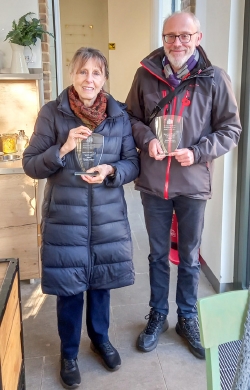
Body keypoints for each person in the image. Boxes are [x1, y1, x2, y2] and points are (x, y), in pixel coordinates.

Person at [125, 11, 242, 359]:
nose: (177, 42)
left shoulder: (215, 79)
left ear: (198, 38)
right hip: (153, 185)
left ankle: (187, 317)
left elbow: (230, 130)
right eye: (170, 36)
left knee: (190, 258)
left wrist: (197, 152)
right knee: (157, 255)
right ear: (163, 39)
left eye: (184, 36)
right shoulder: (145, 75)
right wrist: (147, 140)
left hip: (192, 183)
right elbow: (130, 117)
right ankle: (158, 314)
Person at [23, 47, 139, 389]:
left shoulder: (118, 116)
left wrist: (111, 170)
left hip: (107, 218)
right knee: (70, 288)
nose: (89, 79)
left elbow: (132, 162)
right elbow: (31, 165)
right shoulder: (52, 114)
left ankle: (100, 339)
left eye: (96, 73)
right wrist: (62, 149)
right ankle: (69, 352)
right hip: (65, 217)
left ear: (104, 78)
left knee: (101, 283)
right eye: (83, 71)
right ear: (72, 74)